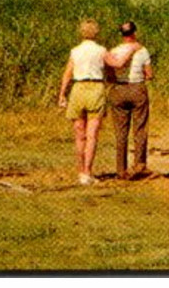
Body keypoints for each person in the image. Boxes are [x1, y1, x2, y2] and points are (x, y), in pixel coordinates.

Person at [57, 19, 112, 186]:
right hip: (95, 88)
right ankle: (88, 171)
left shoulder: (75, 51)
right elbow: (109, 71)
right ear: (96, 32)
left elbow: (68, 73)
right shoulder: (102, 50)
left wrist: (62, 94)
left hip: (78, 88)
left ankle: (81, 171)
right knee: (92, 134)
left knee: (79, 134)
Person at [105, 21, 154, 180]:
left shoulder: (114, 51)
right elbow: (149, 74)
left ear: (122, 34)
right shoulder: (142, 50)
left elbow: (110, 75)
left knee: (121, 131)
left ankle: (121, 169)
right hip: (137, 88)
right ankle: (139, 164)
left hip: (119, 89)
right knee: (140, 128)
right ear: (134, 32)